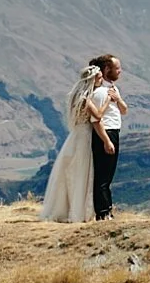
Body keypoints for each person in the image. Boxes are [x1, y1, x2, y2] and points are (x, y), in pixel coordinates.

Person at [36, 63, 107, 224]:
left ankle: (71, 208)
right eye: (99, 78)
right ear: (92, 80)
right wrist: (108, 100)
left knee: (72, 172)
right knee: (83, 172)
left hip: (75, 136)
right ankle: (79, 211)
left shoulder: (75, 96)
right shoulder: (86, 99)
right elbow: (98, 115)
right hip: (85, 137)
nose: (101, 80)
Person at [86, 54, 128, 220]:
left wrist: (118, 99)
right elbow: (96, 120)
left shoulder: (112, 90)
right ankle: (102, 213)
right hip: (106, 133)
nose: (120, 71)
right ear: (106, 70)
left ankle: (107, 210)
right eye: (117, 68)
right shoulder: (100, 93)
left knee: (108, 175)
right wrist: (106, 141)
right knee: (103, 176)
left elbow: (124, 110)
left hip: (113, 132)